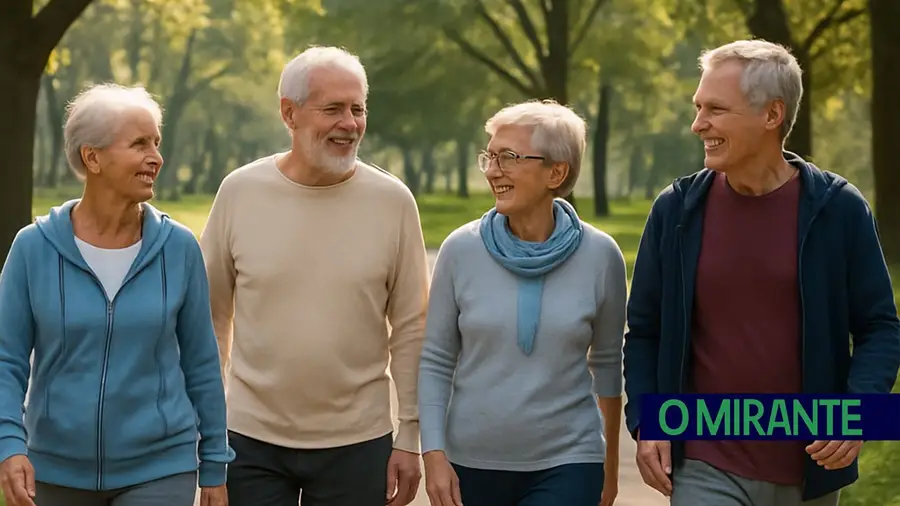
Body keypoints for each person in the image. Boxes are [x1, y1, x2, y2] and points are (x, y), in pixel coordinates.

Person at [624, 39, 900, 506]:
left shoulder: (838, 209)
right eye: (697, 108)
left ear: (772, 115)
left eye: (716, 109)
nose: (698, 125)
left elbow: (879, 328)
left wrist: (859, 413)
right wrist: (648, 423)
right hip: (704, 462)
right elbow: (645, 330)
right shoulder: (677, 211)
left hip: (809, 467)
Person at [199, 45, 429, 506]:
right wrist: (210, 437)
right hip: (249, 440)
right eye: (333, 109)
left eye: (358, 109)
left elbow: (412, 327)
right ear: (289, 112)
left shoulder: (393, 201)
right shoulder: (239, 192)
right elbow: (210, 318)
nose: (350, 123)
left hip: (359, 442)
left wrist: (409, 435)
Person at [0, 83, 234, 506]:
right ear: (93, 157)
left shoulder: (178, 248)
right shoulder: (33, 248)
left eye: (157, 143)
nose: (156, 158)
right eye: (139, 144)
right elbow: (6, 358)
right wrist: (9, 444)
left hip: (161, 466)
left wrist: (214, 462)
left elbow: (202, 362)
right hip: (54, 468)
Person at [418, 99, 626, 506]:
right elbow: (437, 359)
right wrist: (434, 455)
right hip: (470, 464)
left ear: (557, 172)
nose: (493, 171)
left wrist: (609, 469)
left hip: (570, 461)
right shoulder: (460, 249)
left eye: (509, 158)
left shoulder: (601, 255)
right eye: (490, 157)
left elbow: (607, 366)